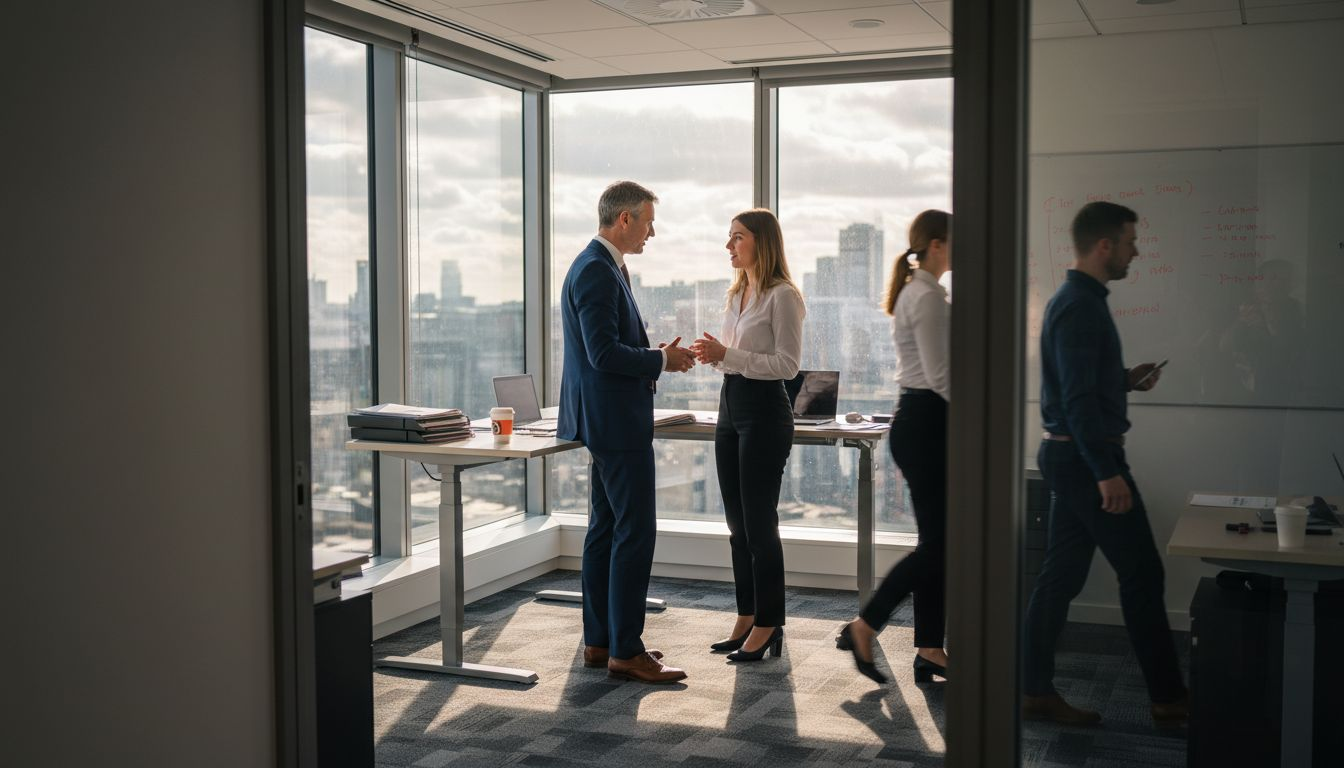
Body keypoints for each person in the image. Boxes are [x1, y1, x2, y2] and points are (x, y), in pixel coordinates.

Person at [1022, 201, 1188, 727]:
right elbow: (1075, 400)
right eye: (1130, 241)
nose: (1135, 251)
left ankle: (1033, 689)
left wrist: (1123, 378)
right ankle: (1169, 699)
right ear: (1104, 246)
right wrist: (1106, 471)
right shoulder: (1079, 306)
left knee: (1060, 577)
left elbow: (1085, 385)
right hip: (1083, 457)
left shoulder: (1080, 301)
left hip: (1073, 454)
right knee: (1141, 571)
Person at [557, 180, 696, 684]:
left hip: (605, 418)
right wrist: (661, 359)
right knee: (635, 531)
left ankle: (602, 642)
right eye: (647, 222)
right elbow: (603, 354)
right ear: (624, 220)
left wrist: (655, 355)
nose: (651, 232)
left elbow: (607, 348)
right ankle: (626, 651)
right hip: (615, 423)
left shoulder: (600, 266)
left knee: (606, 529)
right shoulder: (596, 269)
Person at [836, 209, 952, 685]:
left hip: (927, 421)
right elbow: (942, 375)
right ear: (939, 244)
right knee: (941, 546)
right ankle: (866, 625)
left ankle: (929, 648)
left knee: (938, 545)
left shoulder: (925, 293)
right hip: (928, 422)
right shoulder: (925, 298)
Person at [689, 209, 806, 663]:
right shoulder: (736, 294)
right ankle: (746, 613)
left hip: (764, 412)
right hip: (730, 406)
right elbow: (734, 360)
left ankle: (769, 621)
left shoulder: (783, 296)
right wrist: (714, 356)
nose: (729, 246)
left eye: (737, 238)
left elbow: (787, 365)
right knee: (737, 527)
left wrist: (729, 353)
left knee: (760, 525)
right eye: (728, 237)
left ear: (762, 242)